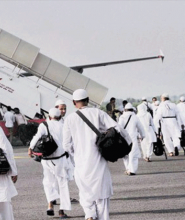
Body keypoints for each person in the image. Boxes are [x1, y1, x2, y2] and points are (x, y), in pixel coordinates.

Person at [63, 89, 131, 220]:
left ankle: (89, 214)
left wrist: (77, 152)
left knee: (85, 193)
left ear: (73, 102)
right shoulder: (98, 113)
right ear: (88, 100)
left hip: (81, 163)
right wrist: (126, 145)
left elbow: (66, 145)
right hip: (98, 160)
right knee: (102, 197)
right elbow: (117, 128)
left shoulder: (70, 119)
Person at [28, 108, 71, 218]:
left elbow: (36, 136)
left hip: (46, 159)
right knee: (62, 183)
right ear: (59, 117)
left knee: (48, 182)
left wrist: (31, 147)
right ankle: (62, 211)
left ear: (50, 116)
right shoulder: (64, 125)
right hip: (60, 159)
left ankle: (50, 205)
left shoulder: (44, 125)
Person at [119, 103, 145, 175]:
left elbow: (119, 128)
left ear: (125, 110)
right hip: (132, 138)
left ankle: (128, 169)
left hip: (124, 138)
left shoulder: (122, 117)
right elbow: (140, 127)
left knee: (125, 154)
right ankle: (132, 170)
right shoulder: (135, 117)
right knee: (133, 154)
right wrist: (142, 136)